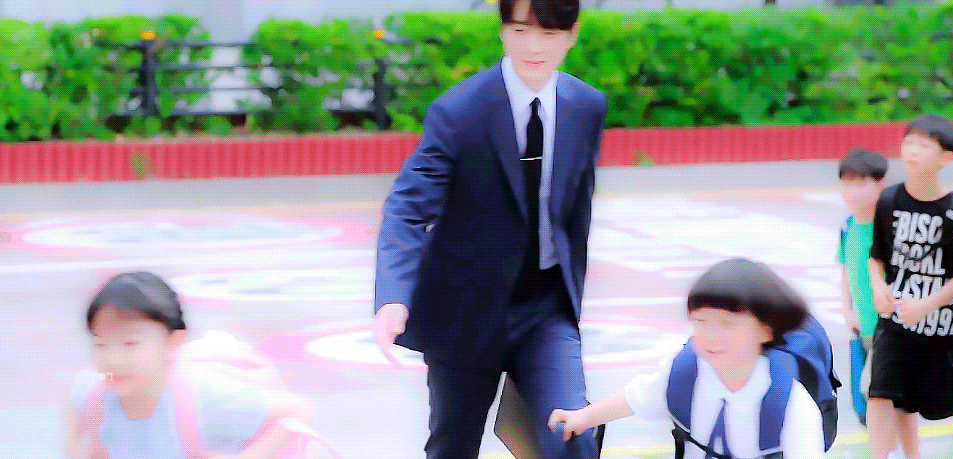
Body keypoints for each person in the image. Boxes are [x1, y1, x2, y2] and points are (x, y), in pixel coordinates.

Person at [371, 0, 607, 457]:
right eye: (519, 31)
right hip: (466, 312)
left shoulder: (586, 107)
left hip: (546, 309)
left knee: (571, 438)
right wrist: (393, 295)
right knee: (453, 447)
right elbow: (408, 207)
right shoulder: (460, 111)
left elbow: (576, 206)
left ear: (572, 34)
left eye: (548, 34)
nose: (533, 47)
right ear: (502, 30)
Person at [547, 258, 825, 459]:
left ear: (766, 330)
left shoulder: (791, 405)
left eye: (727, 323)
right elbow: (636, 397)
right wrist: (583, 417)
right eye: (700, 321)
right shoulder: (685, 374)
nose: (711, 335)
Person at [64, 272, 313, 459]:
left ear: (173, 343)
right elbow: (76, 406)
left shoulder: (205, 398)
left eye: (130, 343)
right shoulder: (92, 393)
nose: (113, 360)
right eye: (101, 344)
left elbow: (299, 411)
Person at [867, 114, 953, 459]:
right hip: (896, 321)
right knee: (882, 393)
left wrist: (927, 304)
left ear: (946, 157)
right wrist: (877, 288)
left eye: (924, 145)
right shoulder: (889, 201)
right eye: (908, 142)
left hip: (943, 328)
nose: (913, 151)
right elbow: (876, 257)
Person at [836, 147, 888, 425]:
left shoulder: (888, 226)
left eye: (861, 183)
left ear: (881, 184)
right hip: (862, 324)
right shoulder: (847, 226)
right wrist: (847, 311)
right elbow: (846, 273)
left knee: (881, 392)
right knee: (864, 401)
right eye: (847, 184)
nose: (852, 191)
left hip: (888, 324)